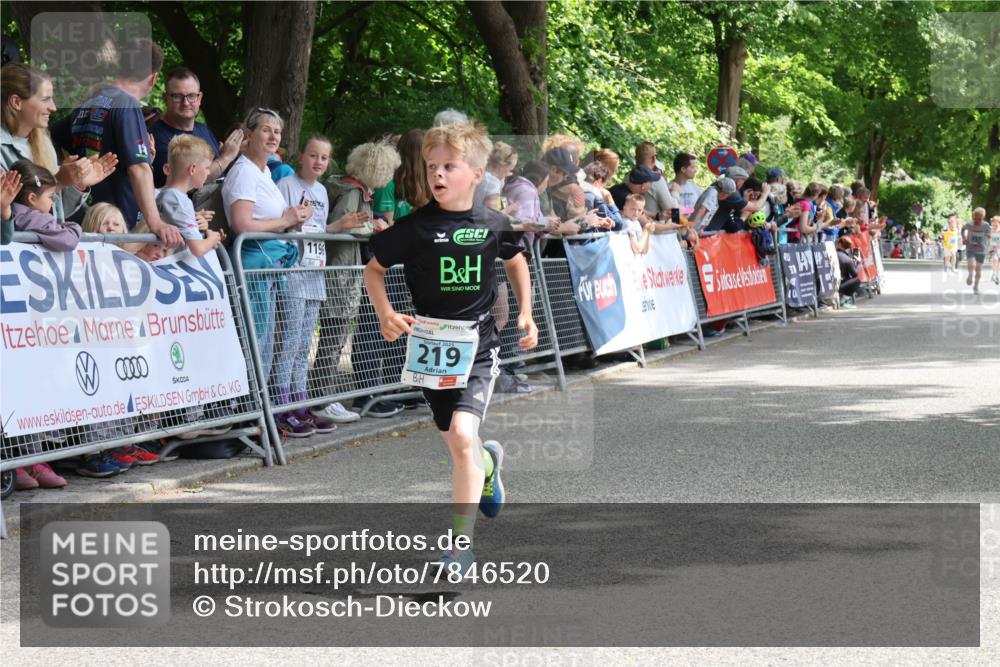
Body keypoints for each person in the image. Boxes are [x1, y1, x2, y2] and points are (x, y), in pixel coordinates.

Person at [364, 122, 538, 573]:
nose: (438, 175)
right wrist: (385, 313)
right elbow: (374, 269)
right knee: (459, 443)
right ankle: (487, 462)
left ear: (477, 173)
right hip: (430, 348)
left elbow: (517, 262)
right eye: (432, 167)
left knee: (461, 435)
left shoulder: (492, 223)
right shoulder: (414, 228)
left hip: (479, 344)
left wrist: (525, 312)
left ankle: (461, 546)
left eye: (449, 167)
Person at [50, 38, 182, 248]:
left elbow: (50, 135)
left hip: (84, 218)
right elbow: (139, 168)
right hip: (117, 227)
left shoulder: (90, 102)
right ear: (153, 78)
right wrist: (156, 223)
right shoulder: (127, 104)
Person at [312, 141, 401, 418]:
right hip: (340, 271)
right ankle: (322, 399)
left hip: (342, 268)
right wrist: (378, 225)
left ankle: (323, 397)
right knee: (334, 336)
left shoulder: (345, 187)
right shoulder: (353, 192)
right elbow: (347, 224)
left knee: (335, 336)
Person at [224, 108, 310, 383]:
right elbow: (242, 224)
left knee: (265, 342)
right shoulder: (244, 173)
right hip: (254, 266)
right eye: (266, 129)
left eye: (277, 131)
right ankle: (251, 411)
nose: (273, 135)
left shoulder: (264, 174)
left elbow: (270, 220)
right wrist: (284, 219)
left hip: (269, 266)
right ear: (248, 134)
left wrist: (291, 220)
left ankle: (261, 413)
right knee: (255, 341)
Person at [271, 135, 342, 435]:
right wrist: (293, 222)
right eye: (313, 155)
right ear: (302, 157)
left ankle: (301, 405)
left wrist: (340, 227)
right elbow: (277, 222)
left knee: (304, 345)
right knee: (288, 343)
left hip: (315, 272)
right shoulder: (286, 185)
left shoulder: (323, 191)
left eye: (323, 158)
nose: (318, 162)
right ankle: (282, 405)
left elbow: (319, 229)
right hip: (293, 271)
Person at [1, 63, 118, 224]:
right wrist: (58, 181)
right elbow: (12, 217)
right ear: (16, 102)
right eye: (45, 99)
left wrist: (76, 183)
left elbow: (56, 211)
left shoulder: (44, 144)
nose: (53, 108)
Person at [149, 66, 244, 188]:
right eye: (177, 96)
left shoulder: (203, 129)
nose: (186, 102)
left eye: (191, 96)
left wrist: (237, 153)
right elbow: (189, 180)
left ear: (199, 98)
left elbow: (218, 171)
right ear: (165, 99)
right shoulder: (156, 136)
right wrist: (226, 157)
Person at [156, 134, 224, 257]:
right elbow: (198, 249)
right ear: (193, 169)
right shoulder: (179, 201)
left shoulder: (166, 195)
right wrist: (213, 238)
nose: (208, 172)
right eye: (207, 167)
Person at [6, 159, 81, 251]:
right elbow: (69, 240)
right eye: (51, 197)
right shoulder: (35, 219)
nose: (53, 201)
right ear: (32, 198)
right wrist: (73, 227)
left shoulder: (9, 212)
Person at [481, 141, 518, 210]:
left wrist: (504, 201)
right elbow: (492, 215)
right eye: (510, 169)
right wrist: (511, 208)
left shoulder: (482, 174)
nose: (510, 172)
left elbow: (497, 206)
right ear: (504, 166)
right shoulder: (493, 183)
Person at [962, 207, 991, 294]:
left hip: (981, 249)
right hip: (971, 247)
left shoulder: (986, 225)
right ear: (973, 217)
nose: (977, 220)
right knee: (971, 263)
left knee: (978, 269)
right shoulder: (969, 224)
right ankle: (970, 274)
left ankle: (976, 286)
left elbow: (990, 234)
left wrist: (988, 235)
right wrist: (964, 238)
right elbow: (962, 229)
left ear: (983, 218)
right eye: (975, 218)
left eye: (979, 219)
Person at [836, 236, 863, 307]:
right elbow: (855, 274)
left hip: (826, 284)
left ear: (839, 244)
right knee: (857, 280)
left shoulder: (830, 254)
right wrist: (859, 263)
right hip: (838, 285)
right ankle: (844, 300)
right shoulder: (847, 259)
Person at [990, 215, 1000, 285]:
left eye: (996, 223)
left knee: (998, 262)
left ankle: (997, 273)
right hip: (993, 248)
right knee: (995, 259)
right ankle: (993, 273)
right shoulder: (990, 230)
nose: (994, 225)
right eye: (993, 223)